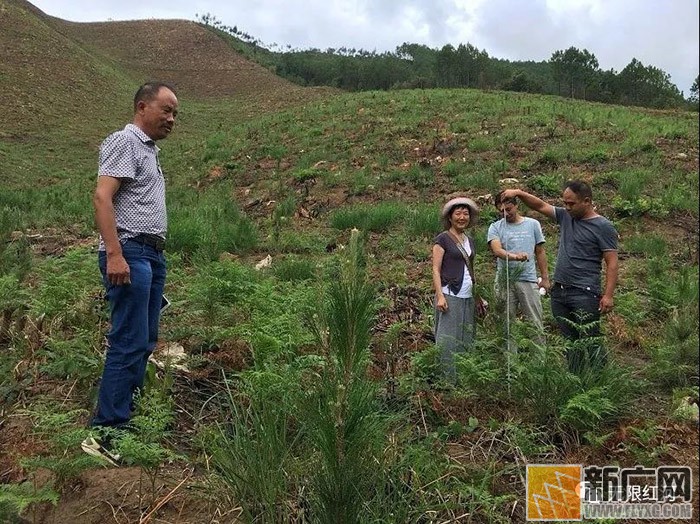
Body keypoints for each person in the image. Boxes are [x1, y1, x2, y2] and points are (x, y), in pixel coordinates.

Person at [82, 82, 179, 464]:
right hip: (131, 251)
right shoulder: (126, 142)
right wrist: (116, 255)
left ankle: (123, 421)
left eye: (175, 114)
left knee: (144, 340)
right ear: (142, 106)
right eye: (166, 110)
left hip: (150, 255)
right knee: (127, 340)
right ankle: (106, 433)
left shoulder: (148, 151)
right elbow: (102, 196)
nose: (172, 119)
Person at [500, 181, 618, 372]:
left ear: (587, 201)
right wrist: (519, 193)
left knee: (591, 339)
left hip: (585, 293)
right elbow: (540, 206)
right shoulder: (566, 216)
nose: (567, 207)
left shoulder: (602, 226)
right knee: (569, 343)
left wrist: (608, 295)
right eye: (565, 203)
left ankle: (599, 383)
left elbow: (612, 262)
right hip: (560, 292)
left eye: (572, 203)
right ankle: (576, 379)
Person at [487, 190, 549, 348]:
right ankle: (510, 365)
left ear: (516, 205)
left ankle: (539, 362)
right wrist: (515, 256)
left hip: (528, 279)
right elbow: (497, 250)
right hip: (505, 280)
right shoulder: (495, 227)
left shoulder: (532, 224)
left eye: (509, 209)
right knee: (506, 324)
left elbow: (540, 251)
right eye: (502, 211)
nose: (506, 214)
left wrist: (545, 277)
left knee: (534, 322)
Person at [432, 196, 480, 382]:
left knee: (465, 336)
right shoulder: (443, 239)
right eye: (458, 213)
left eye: (466, 213)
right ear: (450, 218)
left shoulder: (469, 240)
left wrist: (477, 295)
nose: (462, 217)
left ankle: (464, 380)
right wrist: (440, 296)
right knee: (448, 339)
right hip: (450, 293)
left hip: (468, 295)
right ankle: (447, 379)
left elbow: (471, 269)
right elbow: (435, 268)